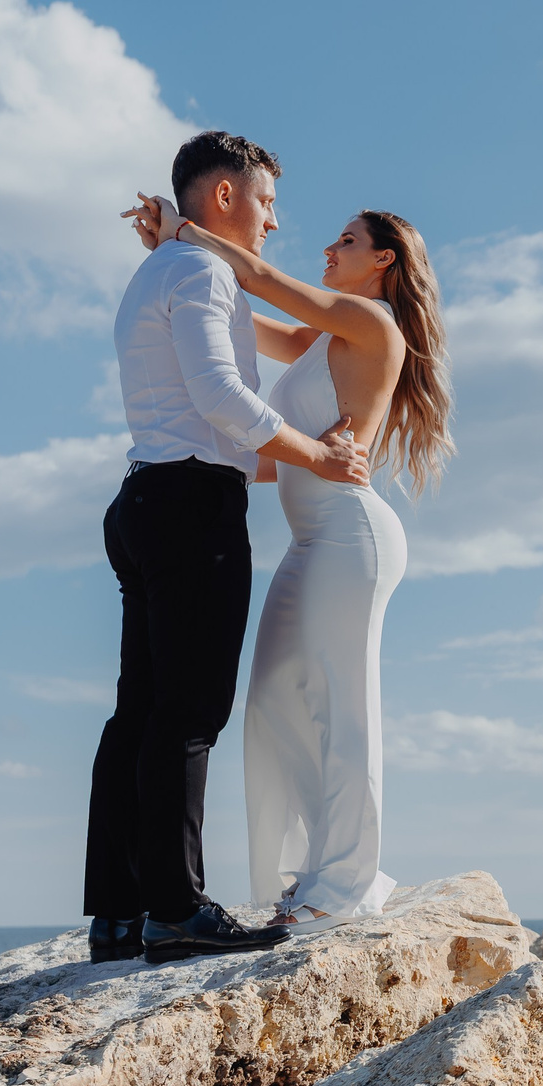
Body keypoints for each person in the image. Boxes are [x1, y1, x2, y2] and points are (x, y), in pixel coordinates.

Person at [127, 191, 453, 931]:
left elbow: (259, 282)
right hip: (315, 541)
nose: (327, 250)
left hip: (351, 537)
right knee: (274, 697)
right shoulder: (321, 340)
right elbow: (248, 325)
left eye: (345, 240)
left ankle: (342, 885)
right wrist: (170, 261)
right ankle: (315, 869)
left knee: (344, 704)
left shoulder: (372, 321)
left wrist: (188, 232)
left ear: (383, 260)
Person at [87, 133, 369, 966]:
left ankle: (120, 911)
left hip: (143, 495)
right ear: (224, 198)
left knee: (139, 710)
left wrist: (176, 234)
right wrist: (318, 456)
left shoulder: (160, 272)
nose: (275, 220)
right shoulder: (204, 272)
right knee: (189, 712)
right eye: (268, 201)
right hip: (186, 504)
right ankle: (176, 910)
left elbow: (214, 390)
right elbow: (219, 396)